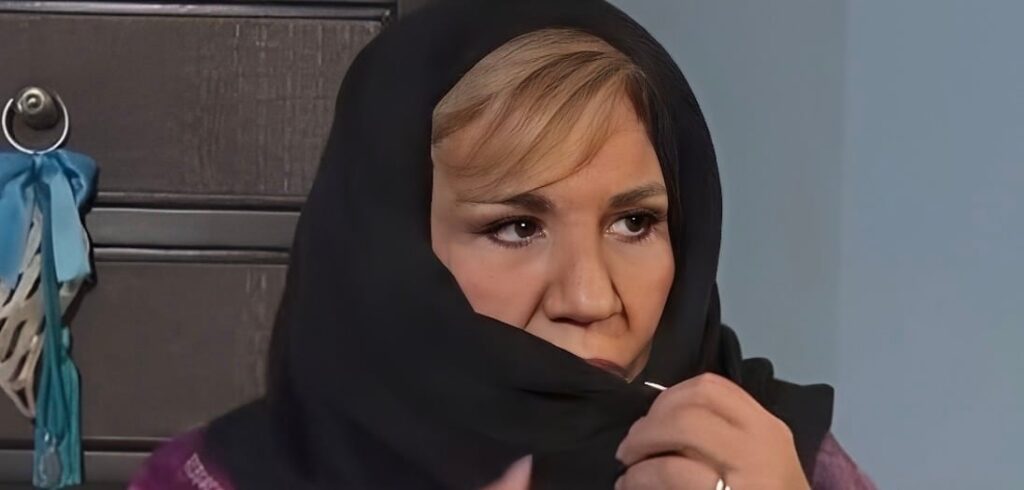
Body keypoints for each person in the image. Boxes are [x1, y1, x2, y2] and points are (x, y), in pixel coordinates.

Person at [129, 1, 876, 488]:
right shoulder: (219, 479)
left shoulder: (777, 462)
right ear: (392, 254)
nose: (589, 298)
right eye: (517, 227)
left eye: (634, 223)